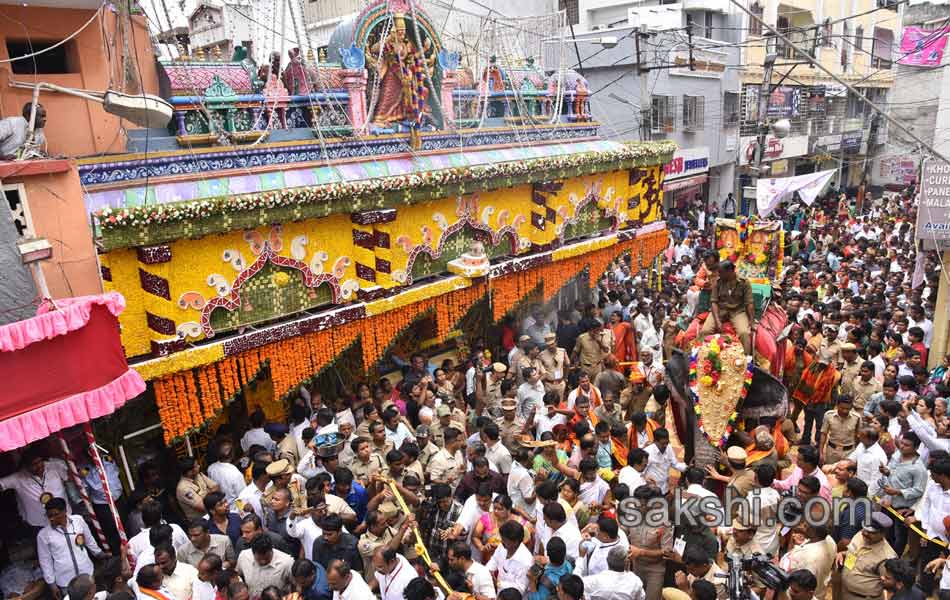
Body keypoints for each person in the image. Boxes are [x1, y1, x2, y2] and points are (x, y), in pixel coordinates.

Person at [37, 498, 105, 599]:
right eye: (49, 515)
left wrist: (99, 553)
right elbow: (45, 562)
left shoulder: (78, 520)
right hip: (65, 581)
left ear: (65, 511)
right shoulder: (43, 535)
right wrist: (52, 584)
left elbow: (89, 540)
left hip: (86, 573)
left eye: (55, 514)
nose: (52, 518)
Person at [0, 448, 70, 530]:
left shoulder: (54, 466)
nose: (39, 466)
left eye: (40, 461)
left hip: (66, 517)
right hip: (40, 525)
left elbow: (70, 477)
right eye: (34, 464)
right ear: (26, 466)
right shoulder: (18, 478)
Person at [838, 512, 897, 600]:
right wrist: (842, 554)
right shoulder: (860, 535)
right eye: (864, 529)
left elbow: (890, 587)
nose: (864, 533)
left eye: (871, 532)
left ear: (883, 534)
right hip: (845, 592)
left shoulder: (887, 557)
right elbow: (855, 553)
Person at [700, 261, 754, 356]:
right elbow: (714, 302)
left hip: (737, 311)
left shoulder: (744, 283)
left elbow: (749, 303)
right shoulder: (718, 282)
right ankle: (704, 356)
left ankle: (746, 360)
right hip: (720, 310)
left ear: (730, 271)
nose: (719, 274)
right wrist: (717, 321)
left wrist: (751, 321)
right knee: (705, 331)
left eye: (721, 272)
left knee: (744, 333)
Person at [235, 534, 293, 598]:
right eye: (259, 559)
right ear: (252, 553)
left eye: (267, 558)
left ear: (271, 550)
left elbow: (296, 584)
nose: (263, 562)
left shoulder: (287, 562)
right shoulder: (244, 557)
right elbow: (237, 577)